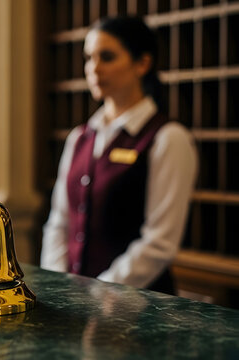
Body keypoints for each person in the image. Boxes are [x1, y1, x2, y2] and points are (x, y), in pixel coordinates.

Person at [40, 17, 198, 294]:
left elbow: (159, 242)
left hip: (141, 311)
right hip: (76, 306)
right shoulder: (79, 137)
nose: (94, 68)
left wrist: (98, 293)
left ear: (142, 64)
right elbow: (59, 222)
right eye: (89, 58)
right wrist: (58, 287)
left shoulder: (168, 138)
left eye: (107, 57)